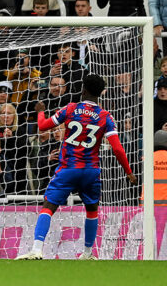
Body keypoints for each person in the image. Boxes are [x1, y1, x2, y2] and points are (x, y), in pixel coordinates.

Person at [16, 74, 136, 260]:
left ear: (83, 90)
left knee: (48, 206)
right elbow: (118, 149)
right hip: (90, 171)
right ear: (100, 93)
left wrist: (40, 111)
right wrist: (128, 172)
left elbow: (42, 126)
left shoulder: (71, 109)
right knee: (92, 209)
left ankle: (37, 249)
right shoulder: (106, 117)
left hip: (68, 169)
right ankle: (87, 253)